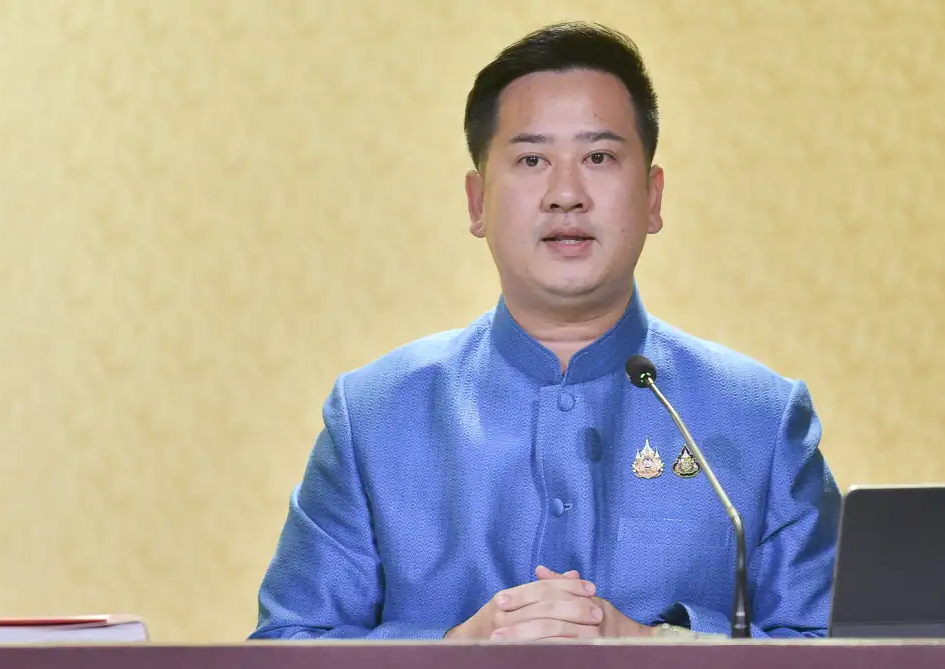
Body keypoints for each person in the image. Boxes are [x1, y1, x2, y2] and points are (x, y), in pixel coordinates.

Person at [249, 20, 841, 642]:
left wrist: (654, 645)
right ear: (477, 202)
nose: (566, 194)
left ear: (652, 197)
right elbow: (286, 644)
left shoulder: (763, 419)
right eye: (532, 159)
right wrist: (454, 650)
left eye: (599, 157)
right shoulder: (374, 417)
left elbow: (846, 650)